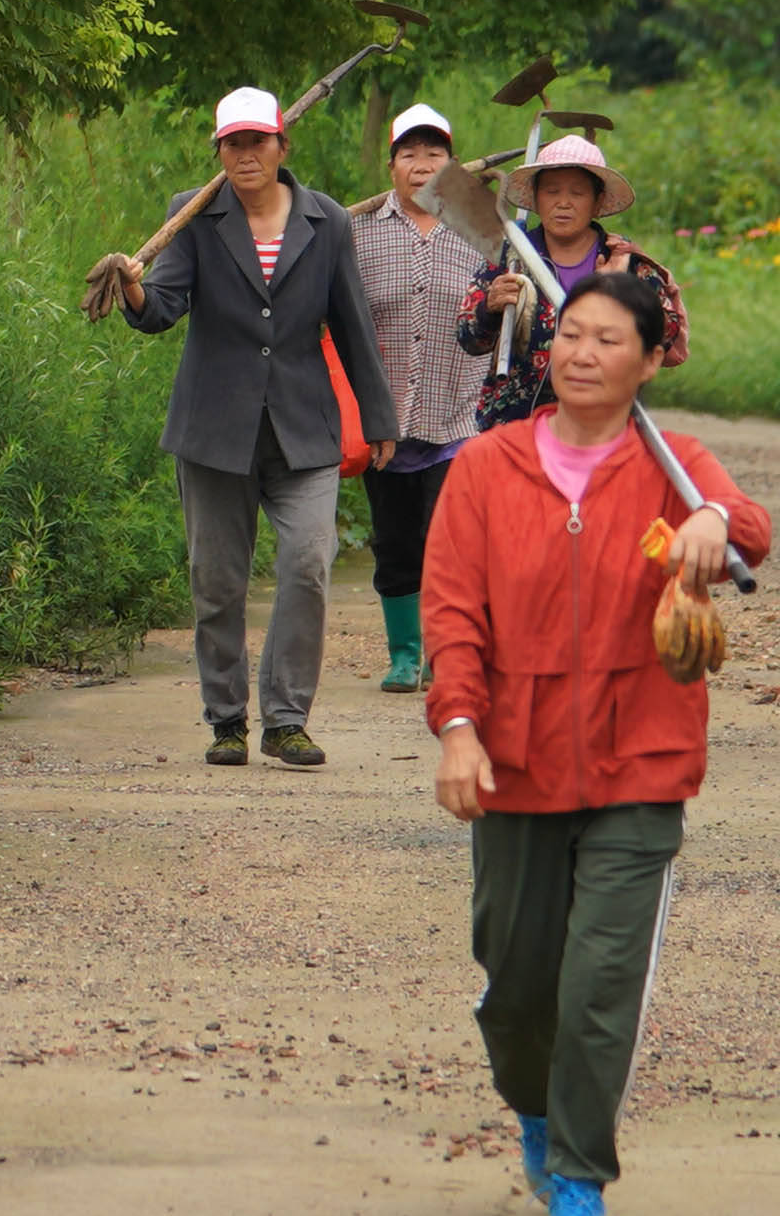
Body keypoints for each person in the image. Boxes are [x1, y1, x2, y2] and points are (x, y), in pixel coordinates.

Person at [421, 259, 772, 1216]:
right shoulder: (488, 467)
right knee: (519, 981)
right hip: (517, 761)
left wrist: (710, 516)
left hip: (639, 762)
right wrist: (457, 726)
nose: (581, 351)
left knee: (601, 979)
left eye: (609, 339)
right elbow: (451, 612)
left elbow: (751, 528)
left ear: (651, 360)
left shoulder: (676, 460)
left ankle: (580, 1171)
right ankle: (533, 1104)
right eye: (571, 332)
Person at [96, 85, 398, 765]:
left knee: (308, 565)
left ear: (282, 145)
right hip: (215, 428)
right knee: (218, 580)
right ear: (220, 152)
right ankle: (226, 718)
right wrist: (135, 283)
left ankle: (287, 717)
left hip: (303, 429)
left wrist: (379, 418)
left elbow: (351, 325)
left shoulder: (326, 222)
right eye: (232, 143)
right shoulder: (195, 217)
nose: (246, 154)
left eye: (258, 140)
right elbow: (162, 307)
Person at [346, 102, 489, 693]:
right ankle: (404, 655)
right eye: (410, 153)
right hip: (385, 417)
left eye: (434, 153)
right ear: (392, 165)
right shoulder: (357, 230)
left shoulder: (480, 225)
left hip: (459, 412)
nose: (422, 164)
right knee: (395, 541)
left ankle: (443, 651)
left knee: (449, 542)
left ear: (451, 163)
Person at [464, 133, 684, 432]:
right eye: (552, 191)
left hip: (601, 427)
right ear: (536, 199)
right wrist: (489, 308)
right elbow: (468, 336)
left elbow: (665, 332)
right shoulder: (510, 255)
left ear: (597, 203)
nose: (563, 203)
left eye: (577, 193)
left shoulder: (624, 260)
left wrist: (622, 298)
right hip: (515, 425)